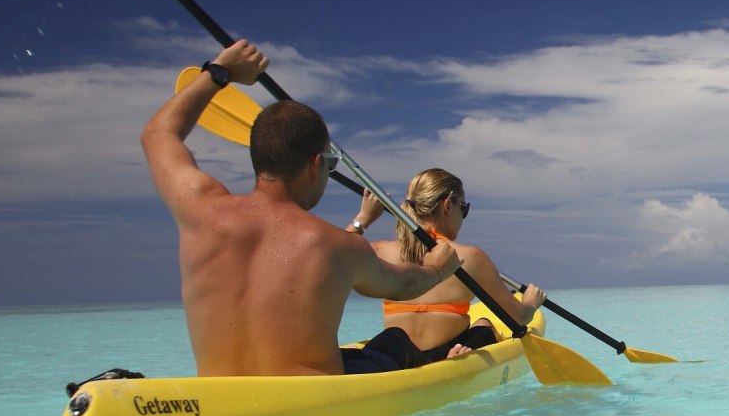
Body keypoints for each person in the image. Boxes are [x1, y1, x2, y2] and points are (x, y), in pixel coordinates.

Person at [141, 40, 459, 377]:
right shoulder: (339, 246)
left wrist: (220, 72)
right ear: (314, 164)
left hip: (219, 397)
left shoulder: (201, 209)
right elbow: (403, 285)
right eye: (331, 163)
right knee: (394, 341)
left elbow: (157, 135)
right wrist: (438, 270)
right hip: (311, 400)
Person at [346, 168, 544, 363]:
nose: (463, 216)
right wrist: (531, 303)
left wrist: (363, 218)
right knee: (485, 325)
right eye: (463, 208)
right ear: (448, 206)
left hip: (400, 357)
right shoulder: (470, 257)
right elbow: (518, 318)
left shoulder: (380, 251)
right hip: (447, 355)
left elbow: (335, 259)